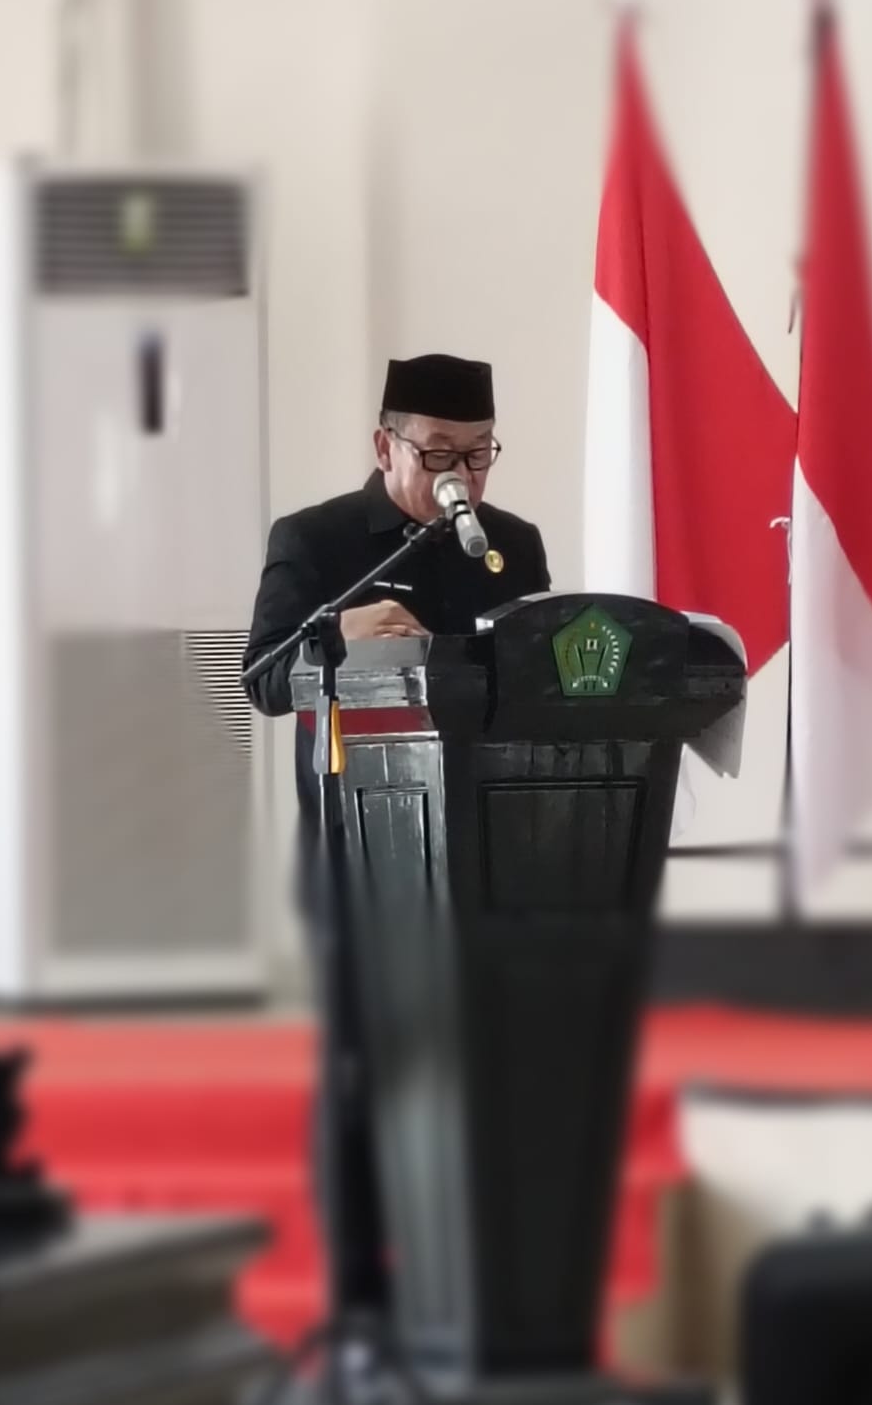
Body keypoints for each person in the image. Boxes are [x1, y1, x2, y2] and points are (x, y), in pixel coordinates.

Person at [243, 353, 550, 1337]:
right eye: (438, 454)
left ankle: (472, 1290)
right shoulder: (317, 538)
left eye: (479, 454)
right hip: (359, 849)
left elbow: (534, 680)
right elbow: (259, 677)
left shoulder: (511, 545)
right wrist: (336, 634)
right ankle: (361, 1307)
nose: (461, 475)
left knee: (485, 1075)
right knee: (365, 1077)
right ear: (385, 446)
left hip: (484, 847)